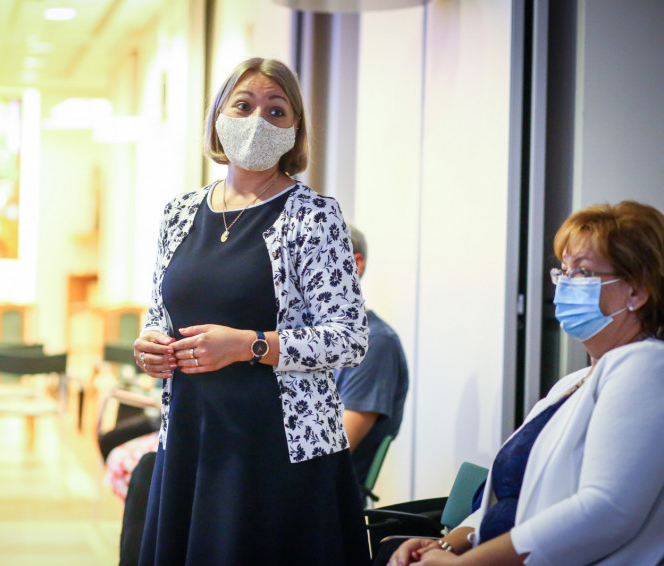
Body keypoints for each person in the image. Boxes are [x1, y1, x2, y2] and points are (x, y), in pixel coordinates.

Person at [133, 57, 371, 566]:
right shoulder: (179, 212)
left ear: (295, 129)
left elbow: (349, 338)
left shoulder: (314, 216)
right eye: (243, 105)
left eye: (276, 110)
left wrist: (248, 345)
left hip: (279, 444)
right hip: (192, 433)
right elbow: (159, 311)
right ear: (218, 116)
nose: (258, 120)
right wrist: (150, 342)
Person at [389, 200, 664, 566]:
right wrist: (446, 547)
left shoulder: (647, 366)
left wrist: (466, 564)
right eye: (563, 271)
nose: (566, 284)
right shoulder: (573, 384)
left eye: (582, 272)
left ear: (637, 291)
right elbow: (511, 502)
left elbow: (605, 510)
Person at [335, 225, 409, 489]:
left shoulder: (374, 344)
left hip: (324, 501)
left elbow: (333, 454)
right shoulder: (311, 341)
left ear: (354, 265)